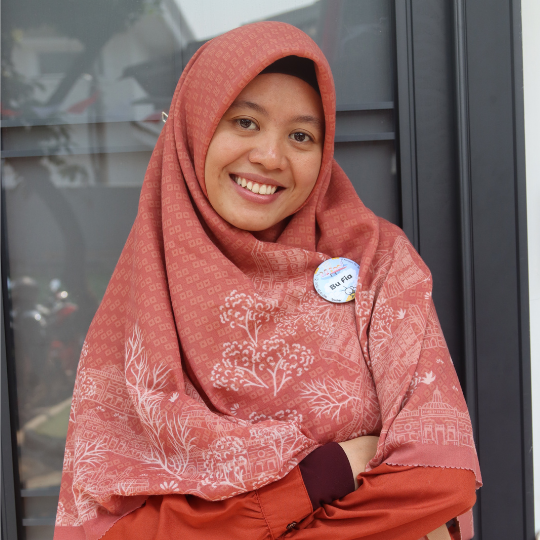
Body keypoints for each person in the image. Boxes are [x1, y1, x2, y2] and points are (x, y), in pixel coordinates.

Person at [54, 22, 481, 540]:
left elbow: (438, 477)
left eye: (301, 136)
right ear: (194, 129)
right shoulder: (145, 296)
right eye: (245, 122)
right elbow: (113, 529)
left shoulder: (375, 260)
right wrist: (328, 473)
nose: (270, 157)